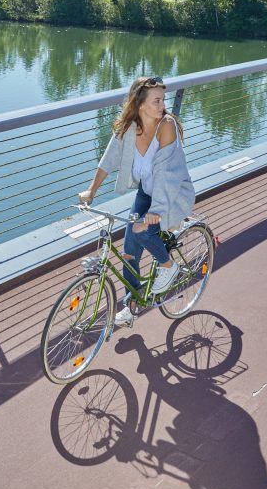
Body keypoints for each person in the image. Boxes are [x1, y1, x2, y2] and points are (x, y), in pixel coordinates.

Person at [78, 76, 196, 325]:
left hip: (172, 195)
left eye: (163, 99)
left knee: (142, 230)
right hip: (147, 192)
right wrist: (91, 191)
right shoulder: (129, 128)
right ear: (140, 103)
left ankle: (167, 265)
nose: (162, 105)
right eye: (156, 100)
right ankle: (132, 306)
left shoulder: (166, 126)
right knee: (129, 253)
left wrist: (156, 212)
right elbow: (109, 159)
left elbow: (166, 176)